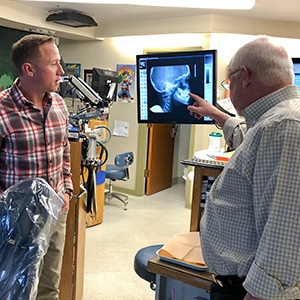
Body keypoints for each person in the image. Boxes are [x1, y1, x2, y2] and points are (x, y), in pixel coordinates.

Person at [189, 37, 300, 300]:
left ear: (244, 77)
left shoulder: (283, 126)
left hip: (249, 291)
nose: (229, 90)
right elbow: (250, 140)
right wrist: (215, 114)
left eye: (228, 83)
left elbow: (284, 231)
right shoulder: (274, 122)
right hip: (238, 283)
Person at [0, 34, 73, 299]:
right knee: (13, 287)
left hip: (55, 212)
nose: (61, 71)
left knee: (48, 285)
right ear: (28, 69)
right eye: (54, 63)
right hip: (14, 221)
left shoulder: (60, 105)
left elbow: (65, 151)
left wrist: (66, 188)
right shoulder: (2, 110)